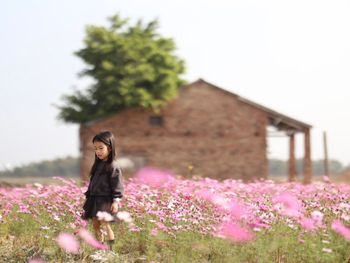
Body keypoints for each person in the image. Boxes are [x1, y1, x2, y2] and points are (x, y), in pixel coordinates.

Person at [81, 130, 124, 249]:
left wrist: (115, 201)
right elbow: (92, 183)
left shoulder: (113, 166)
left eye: (101, 148)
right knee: (95, 225)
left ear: (110, 148)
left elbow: (117, 185)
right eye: (95, 148)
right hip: (94, 199)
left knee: (105, 224)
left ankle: (111, 249)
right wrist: (88, 197)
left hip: (105, 200)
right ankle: (100, 246)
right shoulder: (97, 165)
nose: (98, 151)